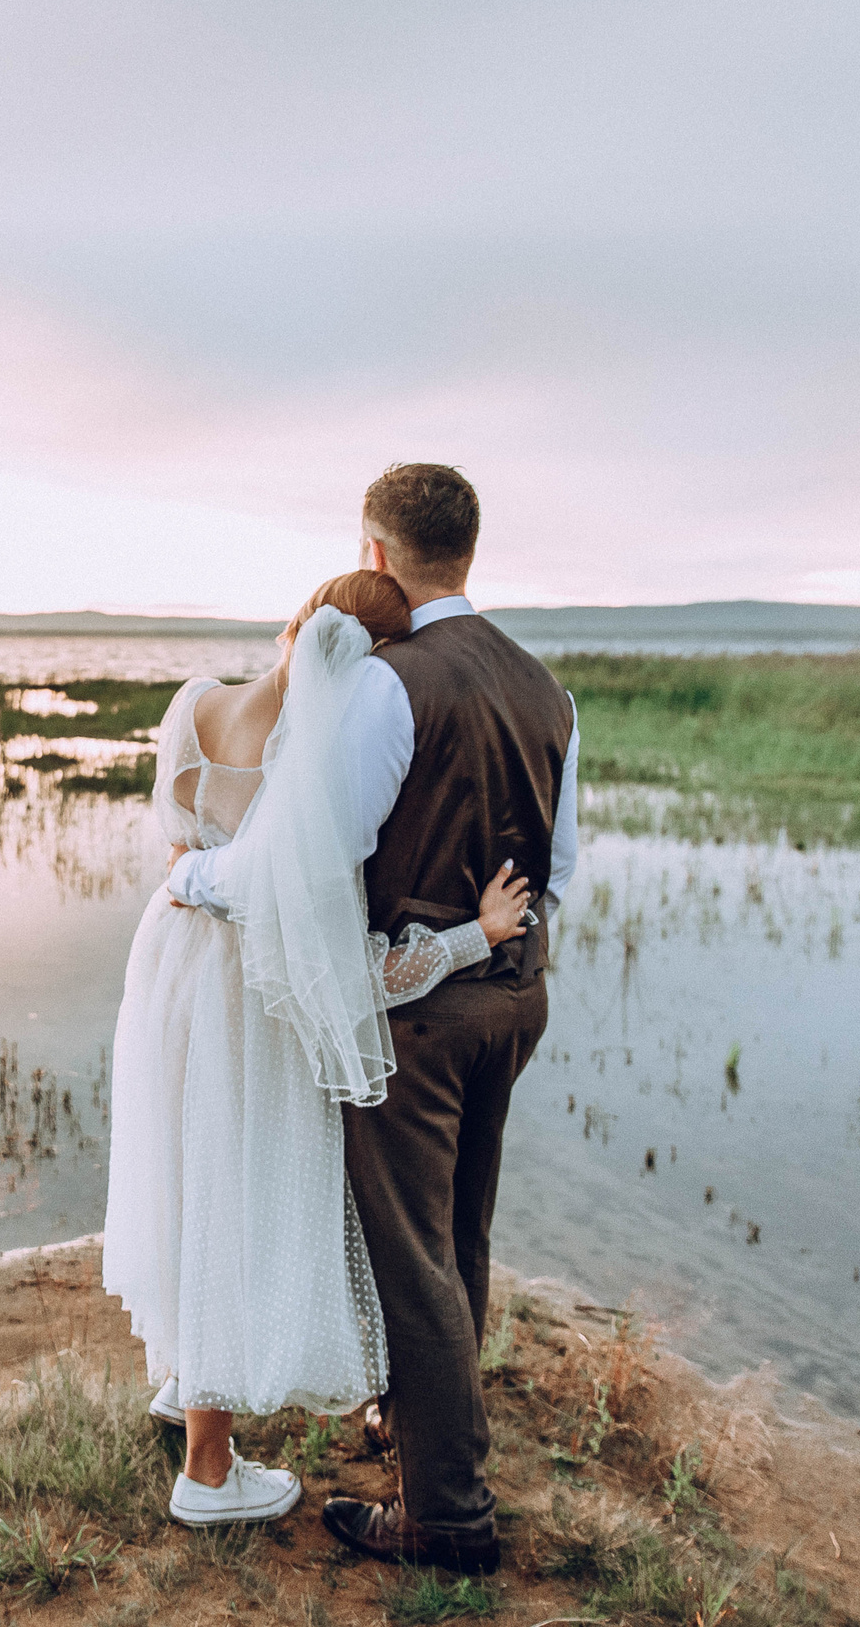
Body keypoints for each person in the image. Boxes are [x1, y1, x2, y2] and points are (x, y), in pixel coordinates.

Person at [164, 464, 580, 1572]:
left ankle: (444, 1513)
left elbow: (311, 861)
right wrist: (491, 938)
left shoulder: (392, 685)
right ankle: (419, 1433)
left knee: (412, 1260)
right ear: (469, 552)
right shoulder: (548, 690)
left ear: (379, 554)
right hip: (516, 996)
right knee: (462, 1235)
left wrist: (195, 881)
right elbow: (563, 865)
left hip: (424, 1018)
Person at [100, 569, 536, 1528]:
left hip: (165, 969)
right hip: (246, 1000)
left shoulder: (190, 706)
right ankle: (207, 1474)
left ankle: (181, 1381)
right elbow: (354, 972)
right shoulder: (304, 776)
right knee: (231, 1194)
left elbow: (179, 852)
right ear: (365, 668)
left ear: (294, 621)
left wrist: (193, 876)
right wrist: (477, 937)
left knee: (182, 1170)